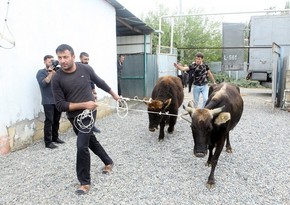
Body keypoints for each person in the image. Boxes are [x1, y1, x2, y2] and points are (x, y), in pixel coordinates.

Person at [51, 44, 120, 195]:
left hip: (89, 114)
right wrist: (84, 104)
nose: (62, 61)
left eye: (66, 57)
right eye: (60, 58)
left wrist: (114, 94)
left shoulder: (85, 69)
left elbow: (99, 81)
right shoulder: (56, 78)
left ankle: (84, 182)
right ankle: (108, 161)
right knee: (90, 141)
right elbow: (60, 105)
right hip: (74, 117)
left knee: (81, 145)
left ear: (73, 57)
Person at [36, 55, 65, 149]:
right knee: (49, 121)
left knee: (56, 120)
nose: (51, 63)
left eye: (53, 61)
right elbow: (44, 84)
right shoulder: (40, 72)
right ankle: (48, 142)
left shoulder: (57, 71)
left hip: (57, 100)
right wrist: (51, 73)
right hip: (48, 101)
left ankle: (55, 138)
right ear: (44, 62)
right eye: (49, 62)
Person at [79, 52, 101, 133]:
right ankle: (82, 127)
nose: (87, 61)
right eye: (85, 59)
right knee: (83, 110)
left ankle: (92, 126)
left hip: (89, 92)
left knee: (93, 108)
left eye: (88, 59)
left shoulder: (88, 68)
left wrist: (94, 91)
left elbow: (92, 80)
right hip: (80, 93)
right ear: (80, 58)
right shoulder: (76, 68)